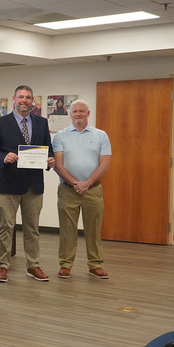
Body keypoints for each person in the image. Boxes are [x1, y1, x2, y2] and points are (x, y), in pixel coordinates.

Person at [0, 85, 55, 283]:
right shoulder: (0, 123)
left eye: (28, 97)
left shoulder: (41, 123)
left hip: (34, 184)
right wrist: (3, 156)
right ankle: (2, 266)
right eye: (20, 97)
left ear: (33, 100)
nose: (24, 100)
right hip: (8, 184)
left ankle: (33, 266)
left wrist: (50, 160)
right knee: (5, 227)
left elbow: (47, 150)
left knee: (32, 228)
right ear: (14, 99)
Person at [52, 100, 112, 279]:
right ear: (70, 114)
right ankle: (65, 264)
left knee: (93, 228)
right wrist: (75, 183)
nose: (78, 114)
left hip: (93, 190)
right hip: (67, 190)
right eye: (75, 111)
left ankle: (95, 265)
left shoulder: (101, 135)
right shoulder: (60, 136)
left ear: (88, 113)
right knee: (67, 229)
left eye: (81, 111)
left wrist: (86, 183)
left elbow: (105, 164)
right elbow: (58, 165)